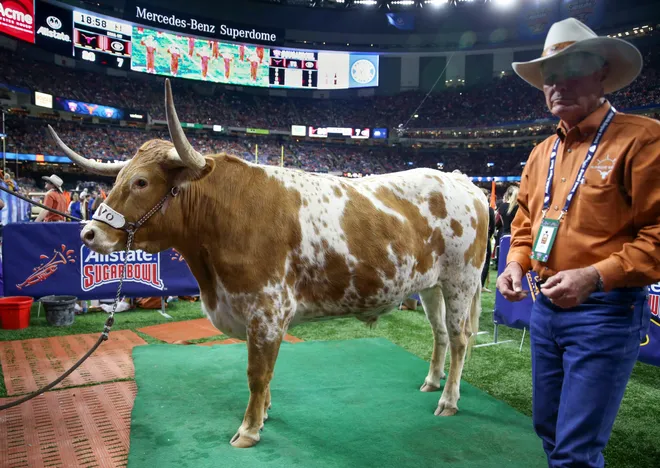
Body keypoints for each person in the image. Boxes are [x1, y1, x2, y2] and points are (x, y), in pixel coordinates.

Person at [496, 18, 659, 468]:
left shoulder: (642, 139)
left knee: (575, 451)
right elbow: (528, 219)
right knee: (548, 430)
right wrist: (517, 262)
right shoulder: (541, 151)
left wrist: (594, 275)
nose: (557, 84)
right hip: (546, 309)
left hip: (606, 312)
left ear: (601, 73)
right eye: (550, 75)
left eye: (571, 69)